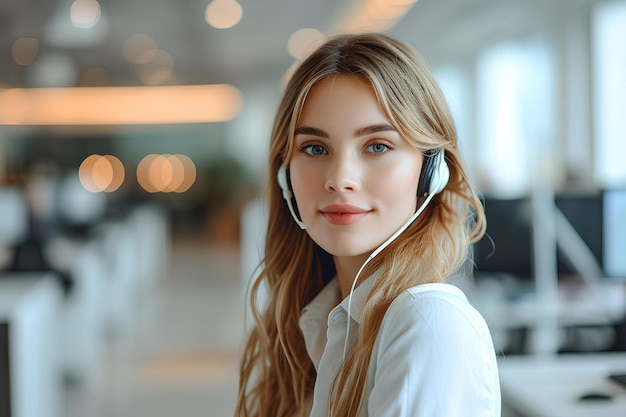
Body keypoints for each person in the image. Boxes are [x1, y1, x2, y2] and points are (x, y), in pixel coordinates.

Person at [235, 32, 501, 417]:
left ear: (431, 172)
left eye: (377, 146)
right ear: (284, 176)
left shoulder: (427, 324)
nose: (340, 178)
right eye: (314, 148)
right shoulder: (316, 324)